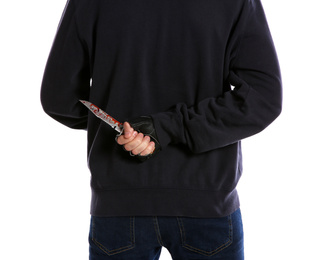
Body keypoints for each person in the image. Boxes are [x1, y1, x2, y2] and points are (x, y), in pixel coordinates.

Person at [41, 0, 282, 259]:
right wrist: (169, 128)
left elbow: (59, 98)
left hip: (119, 199)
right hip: (206, 199)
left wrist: (123, 130)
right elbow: (262, 98)